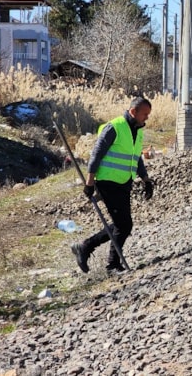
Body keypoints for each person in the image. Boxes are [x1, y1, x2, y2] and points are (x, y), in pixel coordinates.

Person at [71, 96, 155, 275]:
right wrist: (90, 182)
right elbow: (96, 155)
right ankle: (110, 264)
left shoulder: (137, 130)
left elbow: (136, 157)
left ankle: (86, 247)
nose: (147, 118)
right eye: (145, 114)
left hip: (124, 181)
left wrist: (145, 178)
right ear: (133, 112)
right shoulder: (114, 127)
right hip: (107, 182)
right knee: (124, 225)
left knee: (122, 224)